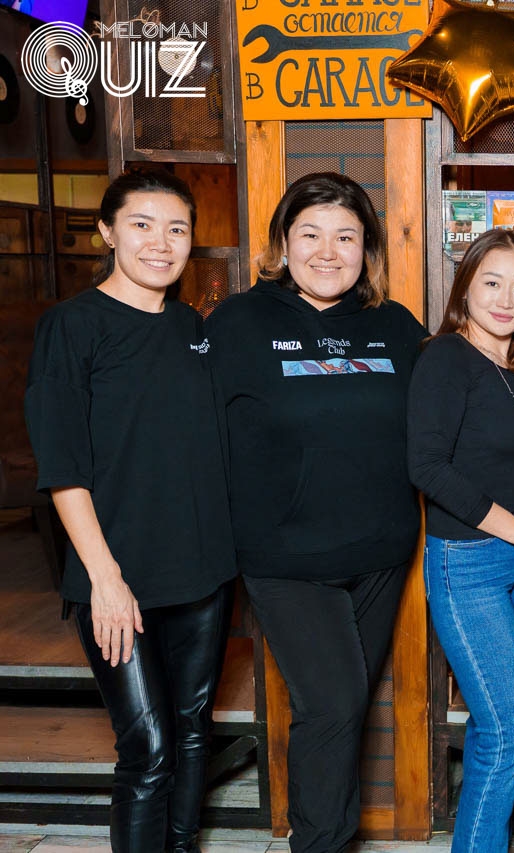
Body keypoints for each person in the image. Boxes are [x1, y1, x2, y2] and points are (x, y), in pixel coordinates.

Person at [205, 173, 424, 853]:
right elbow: (191, 437)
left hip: (381, 554)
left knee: (344, 711)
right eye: (311, 234)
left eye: (346, 237)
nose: (328, 252)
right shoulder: (237, 324)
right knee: (332, 706)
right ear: (282, 242)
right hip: (285, 559)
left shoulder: (395, 326)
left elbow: (450, 413)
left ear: (368, 249)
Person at [25, 169, 236, 853]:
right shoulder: (71, 326)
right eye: (142, 225)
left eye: (177, 229)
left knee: (193, 731)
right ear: (107, 232)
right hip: (118, 578)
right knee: (147, 747)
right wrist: (105, 579)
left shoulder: (193, 328)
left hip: (202, 571)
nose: (160, 242)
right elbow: (63, 469)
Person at [408, 229, 514, 852]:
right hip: (470, 565)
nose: (506, 300)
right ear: (464, 289)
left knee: (492, 729)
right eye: (492, 283)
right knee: (511, 736)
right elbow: (426, 467)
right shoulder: (446, 358)